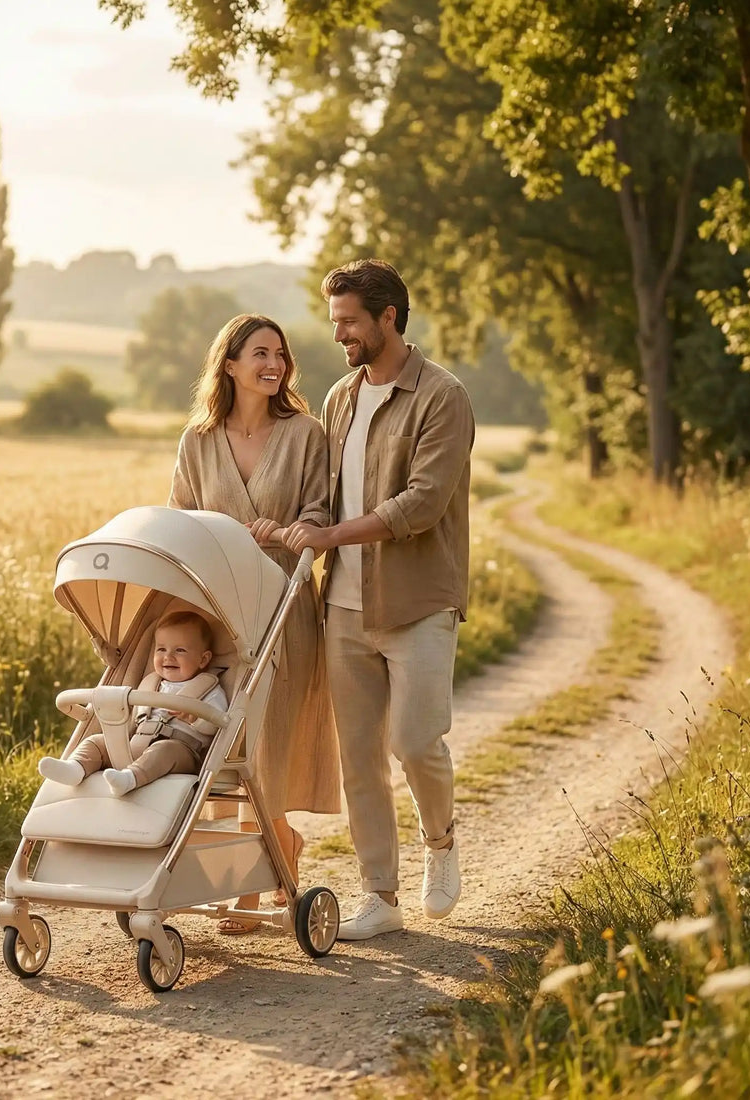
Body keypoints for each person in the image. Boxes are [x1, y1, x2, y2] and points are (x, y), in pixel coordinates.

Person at [282, 259, 475, 941]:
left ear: (388, 317)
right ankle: (380, 895)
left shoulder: (442, 396)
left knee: (416, 741)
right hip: (342, 605)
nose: (339, 334)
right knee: (360, 757)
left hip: (418, 601)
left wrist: (330, 534)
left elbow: (422, 503)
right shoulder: (340, 398)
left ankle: (441, 841)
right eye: (334, 321)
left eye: (349, 322)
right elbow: (323, 493)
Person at [169, 313, 341, 933]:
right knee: (222, 744)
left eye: (280, 354)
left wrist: (288, 531)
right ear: (231, 363)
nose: (274, 365)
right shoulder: (197, 441)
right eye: (260, 353)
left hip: (283, 608)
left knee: (266, 745)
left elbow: (321, 510)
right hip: (218, 613)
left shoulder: (305, 434)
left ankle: (250, 882)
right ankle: (274, 851)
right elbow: (180, 520)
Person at [37, 610, 227, 797]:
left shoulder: (209, 689)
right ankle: (75, 768)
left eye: (180, 650)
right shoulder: (150, 684)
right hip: (137, 744)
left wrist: (195, 718)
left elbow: (218, 724)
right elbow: (132, 721)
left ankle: (129, 779)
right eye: (161, 649)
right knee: (97, 741)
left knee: (164, 750)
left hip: (181, 753)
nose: (168, 657)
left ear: (203, 659)